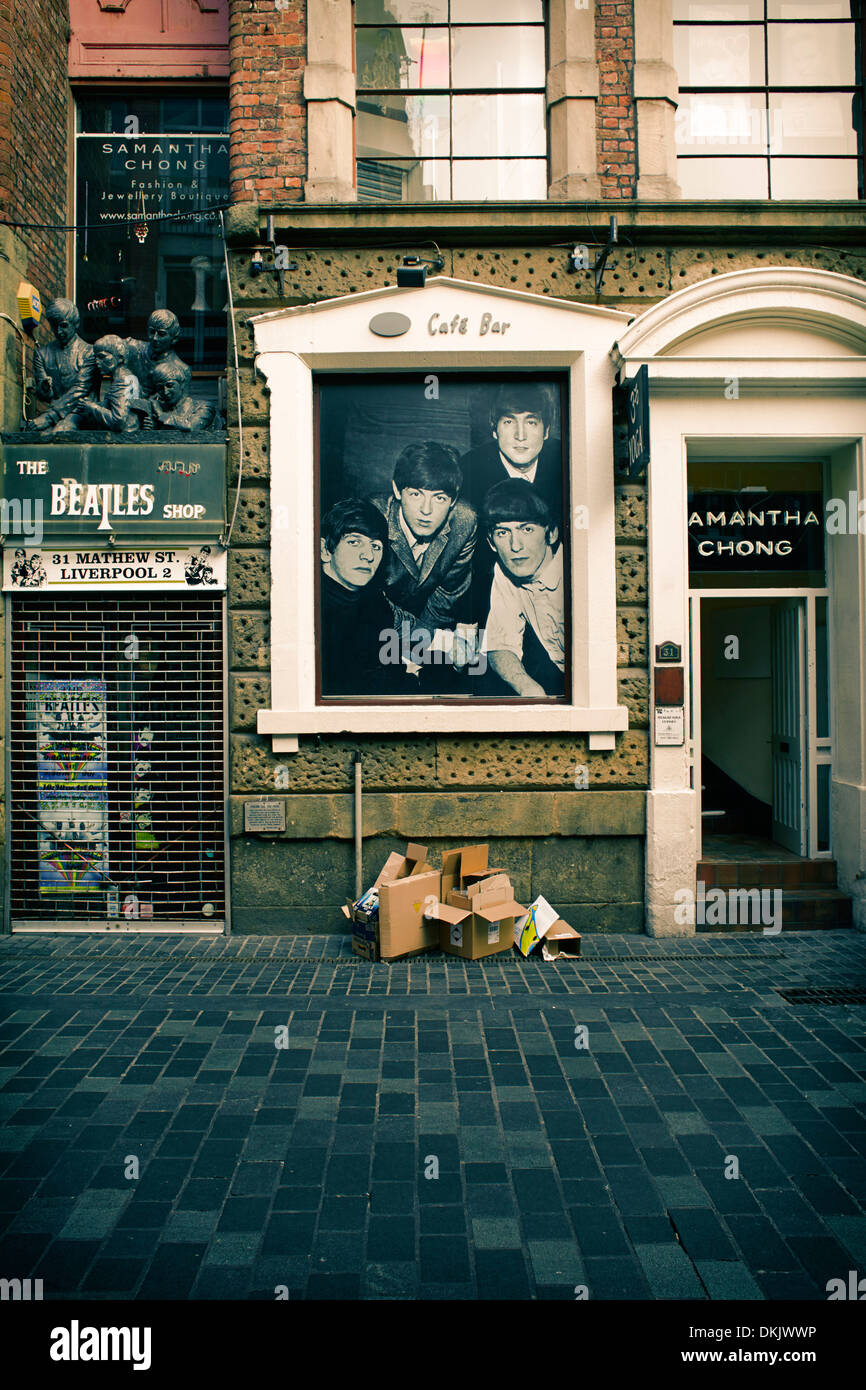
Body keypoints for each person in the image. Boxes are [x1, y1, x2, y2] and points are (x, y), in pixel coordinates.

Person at [480, 479, 566, 697]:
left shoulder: (576, 571)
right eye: (502, 533)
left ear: (552, 533)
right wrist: (528, 688)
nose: (515, 546)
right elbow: (501, 643)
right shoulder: (506, 571)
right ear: (491, 542)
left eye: (526, 529)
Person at [320, 498, 412, 696]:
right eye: (354, 542)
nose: (368, 556)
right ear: (325, 550)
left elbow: (406, 626)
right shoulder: (311, 610)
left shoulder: (374, 600)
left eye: (376, 546)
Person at [31, 299, 96, 434]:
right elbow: (46, 396)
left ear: (76, 323)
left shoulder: (89, 352)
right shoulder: (42, 354)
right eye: (54, 326)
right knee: (36, 435)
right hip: (56, 413)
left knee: (60, 433)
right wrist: (44, 389)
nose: (59, 331)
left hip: (82, 412)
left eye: (64, 326)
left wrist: (49, 417)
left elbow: (81, 389)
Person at [133, 358, 223, 432]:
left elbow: (192, 426)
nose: (165, 391)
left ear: (182, 384)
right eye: (160, 388)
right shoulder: (158, 411)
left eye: (170, 385)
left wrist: (161, 416)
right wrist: (152, 430)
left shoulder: (204, 407)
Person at [73, 335, 141, 433]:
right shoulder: (127, 378)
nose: (97, 362)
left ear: (120, 358)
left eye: (102, 356)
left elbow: (118, 421)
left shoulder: (124, 380)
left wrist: (91, 406)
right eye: (96, 358)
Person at [124, 309, 186, 397]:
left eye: (161, 334)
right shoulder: (132, 348)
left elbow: (181, 406)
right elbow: (101, 350)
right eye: (152, 332)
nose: (155, 338)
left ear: (174, 338)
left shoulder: (181, 370)